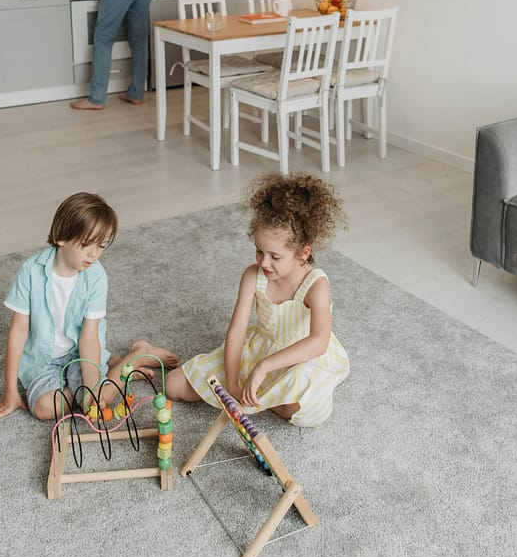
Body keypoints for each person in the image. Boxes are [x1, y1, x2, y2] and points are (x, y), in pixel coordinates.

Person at [115, 173, 350, 428]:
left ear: (304, 252)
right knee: (173, 386)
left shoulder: (316, 285)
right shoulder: (253, 276)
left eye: (275, 256)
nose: (264, 262)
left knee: (304, 414)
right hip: (260, 346)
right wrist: (234, 380)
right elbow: (236, 332)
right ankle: (145, 352)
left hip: (301, 358)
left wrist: (263, 367)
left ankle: (270, 393)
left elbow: (318, 343)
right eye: (259, 251)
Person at [0, 193, 172, 422]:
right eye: (86, 245)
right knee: (44, 409)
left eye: (101, 246)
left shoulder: (96, 277)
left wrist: (91, 390)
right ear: (62, 238)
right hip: (43, 360)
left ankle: (135, 357)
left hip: (81, 353)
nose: (94, 254)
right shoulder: (30, 272)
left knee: (98, 399)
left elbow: (88, 336)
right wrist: (10, 392)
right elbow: (18, 331)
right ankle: (117, 364)